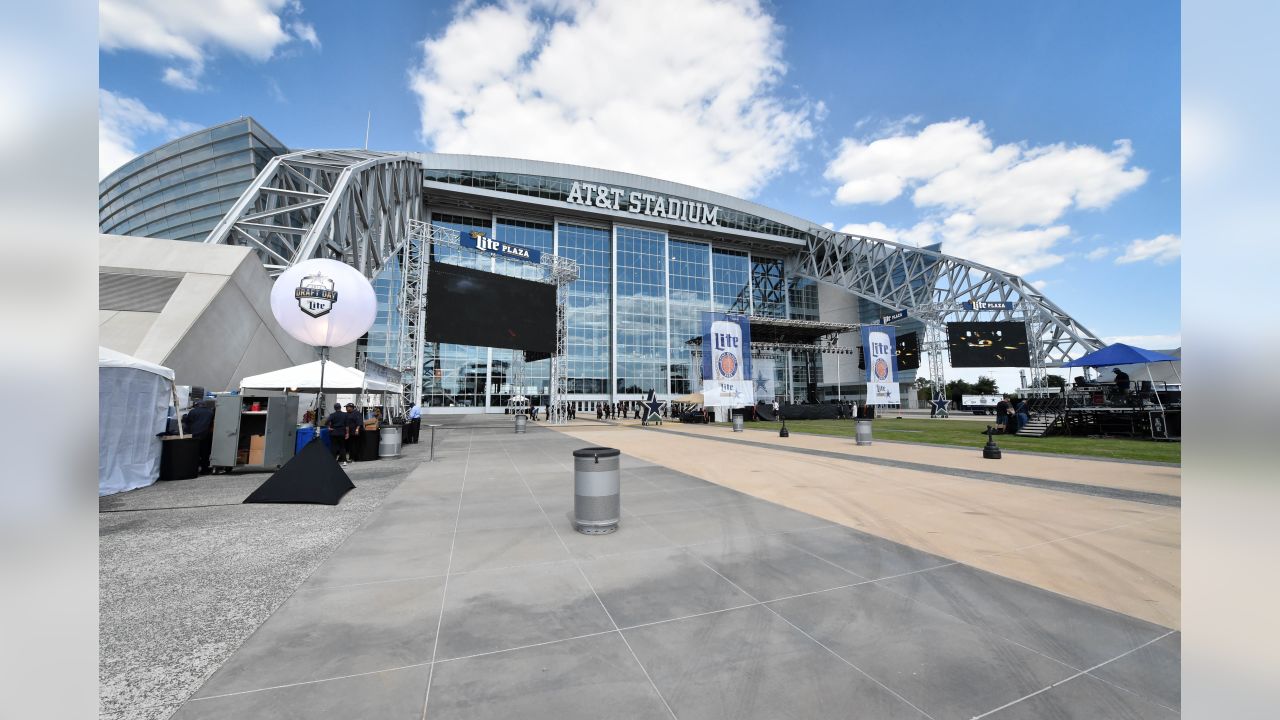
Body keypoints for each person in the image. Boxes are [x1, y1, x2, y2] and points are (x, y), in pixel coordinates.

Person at [182, 399, 216, 474]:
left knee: (194, 453)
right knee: (205, 453)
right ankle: (205, 470)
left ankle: (193, 469)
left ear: (196, 405)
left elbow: (187, 422)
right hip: (206, 435)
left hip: (194, 435)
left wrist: (184, 417)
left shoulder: (193, 411)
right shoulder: (210, 412)